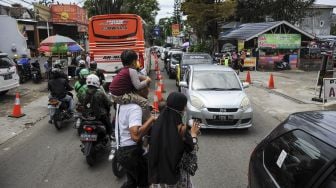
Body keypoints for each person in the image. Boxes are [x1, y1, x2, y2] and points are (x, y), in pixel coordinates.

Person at [148, 92, 201, 188]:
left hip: (156, 177)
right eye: (184, 106)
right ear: (180, 108)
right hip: (174, 177)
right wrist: (193, 134)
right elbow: (191, 148)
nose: (185, 109)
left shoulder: (158, 123)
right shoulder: (179, 127)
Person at [115, 84, 156, 188]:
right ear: (141, 91)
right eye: (147, 88)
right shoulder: (135, 108)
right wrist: (151, 119)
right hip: (131, 153)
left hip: (121, 151)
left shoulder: (121, 104)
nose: (149, 90)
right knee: (144, 183)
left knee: (132, 183)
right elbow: (136, 136)